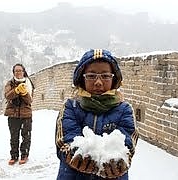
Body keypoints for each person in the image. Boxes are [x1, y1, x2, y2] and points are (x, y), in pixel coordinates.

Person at [55, 49, 139, 179]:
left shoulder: (124, 110)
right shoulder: (71, 107)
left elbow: (128, 143)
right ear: (82, 78)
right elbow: (65, 140)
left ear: (114, 78)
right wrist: (75, 154)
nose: (98, 82)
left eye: (105, 76)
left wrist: (119, 160)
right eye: (91, 76)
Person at [4, 63, 34, 165]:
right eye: (16, 71)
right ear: (13, 73)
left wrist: (24, 93)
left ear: (23, 71)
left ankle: (24, 155)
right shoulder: (10, 83)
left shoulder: (28, 83)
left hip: (26, 114)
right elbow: (7, 96)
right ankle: (14, 156)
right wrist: (16, 90)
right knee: (14, 136)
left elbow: (30, 100)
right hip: (12, 114)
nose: (18, 73)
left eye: (20, 70)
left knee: (26, 136)